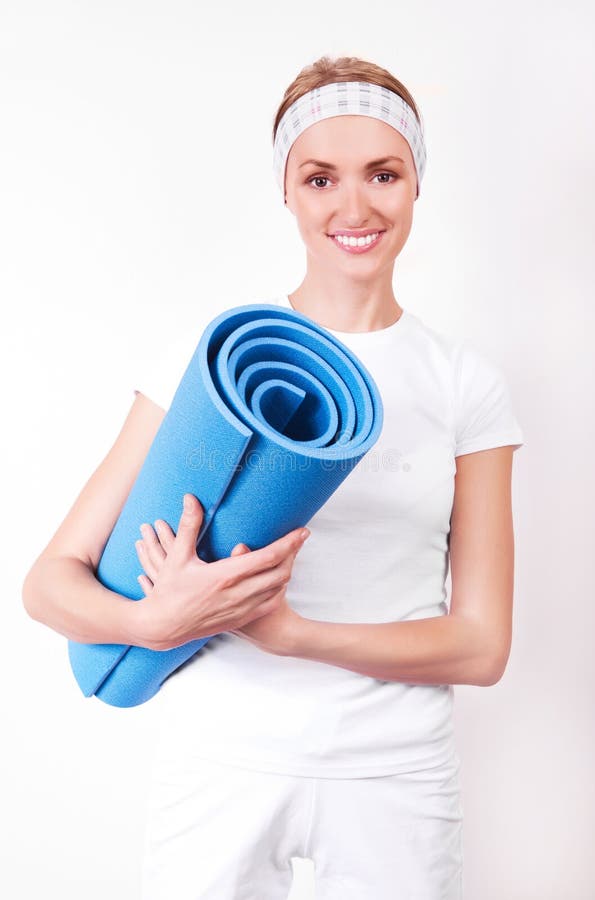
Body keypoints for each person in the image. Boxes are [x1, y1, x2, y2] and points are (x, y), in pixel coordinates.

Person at [22, 54, 524, 900]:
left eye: (384, 174)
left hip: (393, 775)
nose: (354, 207)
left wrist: (292, 634)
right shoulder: (211, 365)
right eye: (321, 178)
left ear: (414, 186)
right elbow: (47, 585)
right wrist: (156, 620)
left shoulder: (462, 383)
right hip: (221, 758)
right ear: (286, 192)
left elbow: (479, 646)